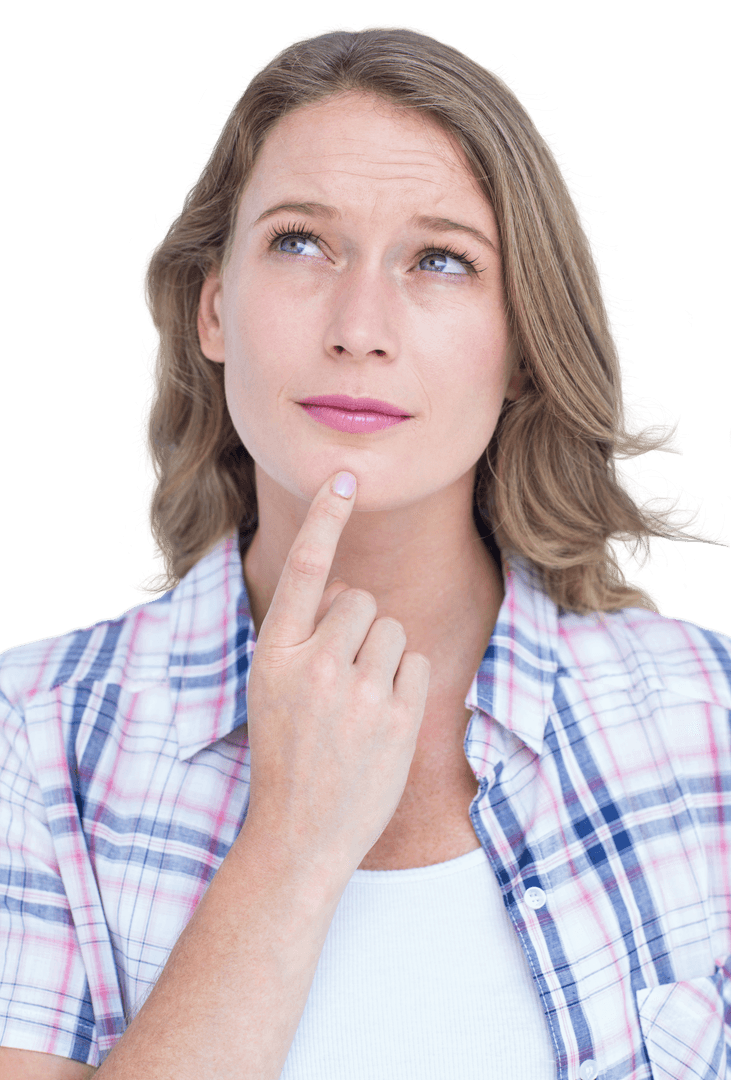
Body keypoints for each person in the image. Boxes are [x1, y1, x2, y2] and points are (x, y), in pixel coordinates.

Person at [1, 23, 729, 1080]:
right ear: (213, 307)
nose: (358, 326)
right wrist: (290, 841)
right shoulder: (30, 745)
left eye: (439, 260)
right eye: (300, 242)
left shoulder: (710, 724)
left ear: (522, 343)